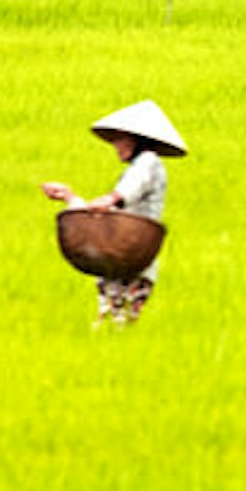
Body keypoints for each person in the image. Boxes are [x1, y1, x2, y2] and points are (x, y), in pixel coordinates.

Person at [44, 99, 187, 326]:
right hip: (118, 254)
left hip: (134, 254)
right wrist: (69, 197)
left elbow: (125, 193)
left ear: (136, 140)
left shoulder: (148, 163)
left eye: (120, 140)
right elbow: (104, 211)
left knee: (123, 317)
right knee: (110, 319)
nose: (116, 146)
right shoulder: (136, 169)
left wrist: (111, 198)